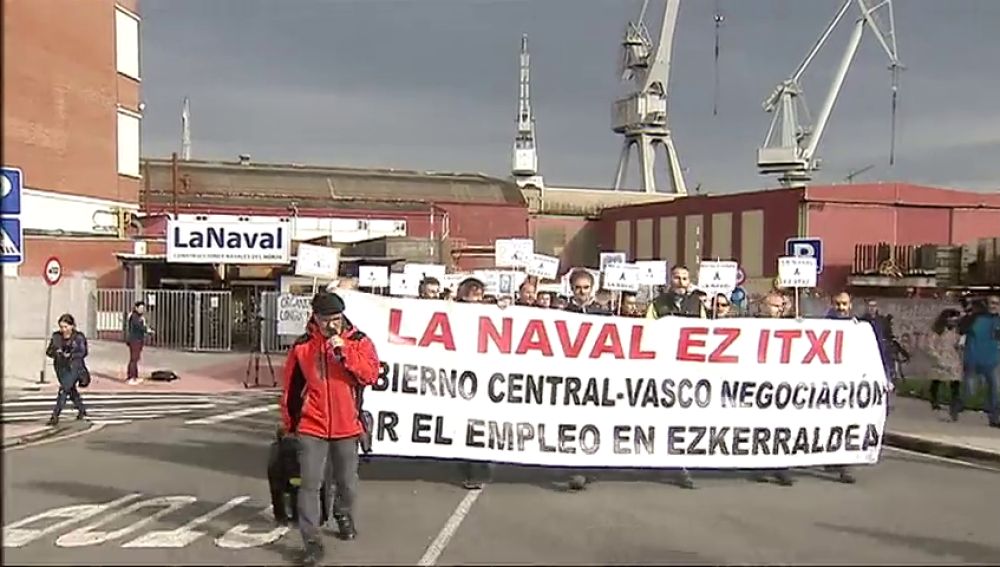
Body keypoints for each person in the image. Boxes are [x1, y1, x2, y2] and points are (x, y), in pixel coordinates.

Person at [280, 291, 380, 566]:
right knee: (309, 484)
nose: (331, 326)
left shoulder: (358, 341)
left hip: (347, 425)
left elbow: (371, 374)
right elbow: (291, 388)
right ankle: (311, 540)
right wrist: (289, 423)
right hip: (312, 425)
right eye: (325, 321)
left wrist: (343, 351)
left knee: (347, 482)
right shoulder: (302, 347)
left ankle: (342, 513)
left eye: (336, 319)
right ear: (315, 318)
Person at [645, 265, 703, 489]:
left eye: (685, 278)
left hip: (689, 370)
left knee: (685, 418)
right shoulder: (657, 304)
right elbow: (648, 331)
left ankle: (682, 463)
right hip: (664, 369)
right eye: (677, 278)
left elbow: (706, 332)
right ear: (670, 280)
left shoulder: (697, 304)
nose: (681, 282)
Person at [748, 293, 795, 486]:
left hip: (782, 383)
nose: (779, 309)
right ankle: (762, 466)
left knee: (782, 427)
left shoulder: (790, 325)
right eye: (775, 306)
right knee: (762, 427)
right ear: (764, 307)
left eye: (781, 306)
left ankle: (781, 467)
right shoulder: (752, 326)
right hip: (760, 383)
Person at [824, 292, 858, 484]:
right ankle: (831, 459)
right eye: (837, 304)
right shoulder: (824, 326)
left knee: (846, 424)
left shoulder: (857, 327)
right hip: (829, 383)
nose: (841, 307)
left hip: (849, 383)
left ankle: (844, 465)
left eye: (844, 304)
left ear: (850, 305)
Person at [954, 295, 1000, 426]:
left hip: (992, 360)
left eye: (997, 304)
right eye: (992, 303)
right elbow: (961, 329)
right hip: (973, 359)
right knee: (970, 390)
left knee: (995, 389)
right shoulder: (975, 318)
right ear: (986, 304)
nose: (994, 306)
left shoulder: (998, 320)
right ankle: (958, 404)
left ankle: (995, 418)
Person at [45, 314, 89, 426]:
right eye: (61, 327)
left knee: (63, 389)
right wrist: (57, 353)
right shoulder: (56, 337)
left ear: (72, 326)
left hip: (74, 367)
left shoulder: (79, 337)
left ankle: (55, 415)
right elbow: (49, 352)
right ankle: (81, 409)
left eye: (66, 327)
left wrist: (71, 355)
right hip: (61, 368)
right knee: (70, 389)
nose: (64, 330)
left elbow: (83, 352)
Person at [925, 308, 963, 411]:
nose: (954, 322)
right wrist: (936, 356)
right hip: (940, 356)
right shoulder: (937, 330)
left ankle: (955, 402)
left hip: (953, 357)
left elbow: (958, 343)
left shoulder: (957, 331)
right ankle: (934, 400)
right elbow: (930, 345)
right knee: (937, 380)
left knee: (955, 381)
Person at [126, 301, 151, 385]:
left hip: (138, 339)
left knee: (136, 358)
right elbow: (138, 327)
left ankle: (135, 376)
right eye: (140, 308)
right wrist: (146, 329)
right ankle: (131, 377)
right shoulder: (134, 316)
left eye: (143, 308)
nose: (142, 310)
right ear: (136, 308)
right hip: (134, 339)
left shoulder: (139, 316)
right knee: (134, 358)